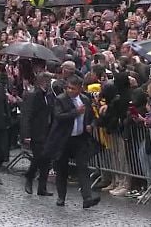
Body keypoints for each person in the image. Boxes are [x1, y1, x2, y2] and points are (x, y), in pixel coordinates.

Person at [43, 75, 101, 208]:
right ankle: (61, 197)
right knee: (62, 169)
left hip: (79, 139)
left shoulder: (85, 99)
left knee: (83, 167)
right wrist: (76, 112)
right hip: (63, 139)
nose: (69, 91)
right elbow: (58, 116)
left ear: (80, 89)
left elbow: (92, 117)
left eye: (73, 89)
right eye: (68, 88)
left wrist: (91, 125)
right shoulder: (60, 99)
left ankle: (87, 198)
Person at [21, 72, 54, 196]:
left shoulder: (48, 96)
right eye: (49, 81)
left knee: (46, 160)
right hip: (36, 133)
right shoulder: (34, 95)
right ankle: (29, 176)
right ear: (43, 82)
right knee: (38, 158)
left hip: (47, 132)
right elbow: (27, 115)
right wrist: (27, 134)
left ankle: (42, 188)